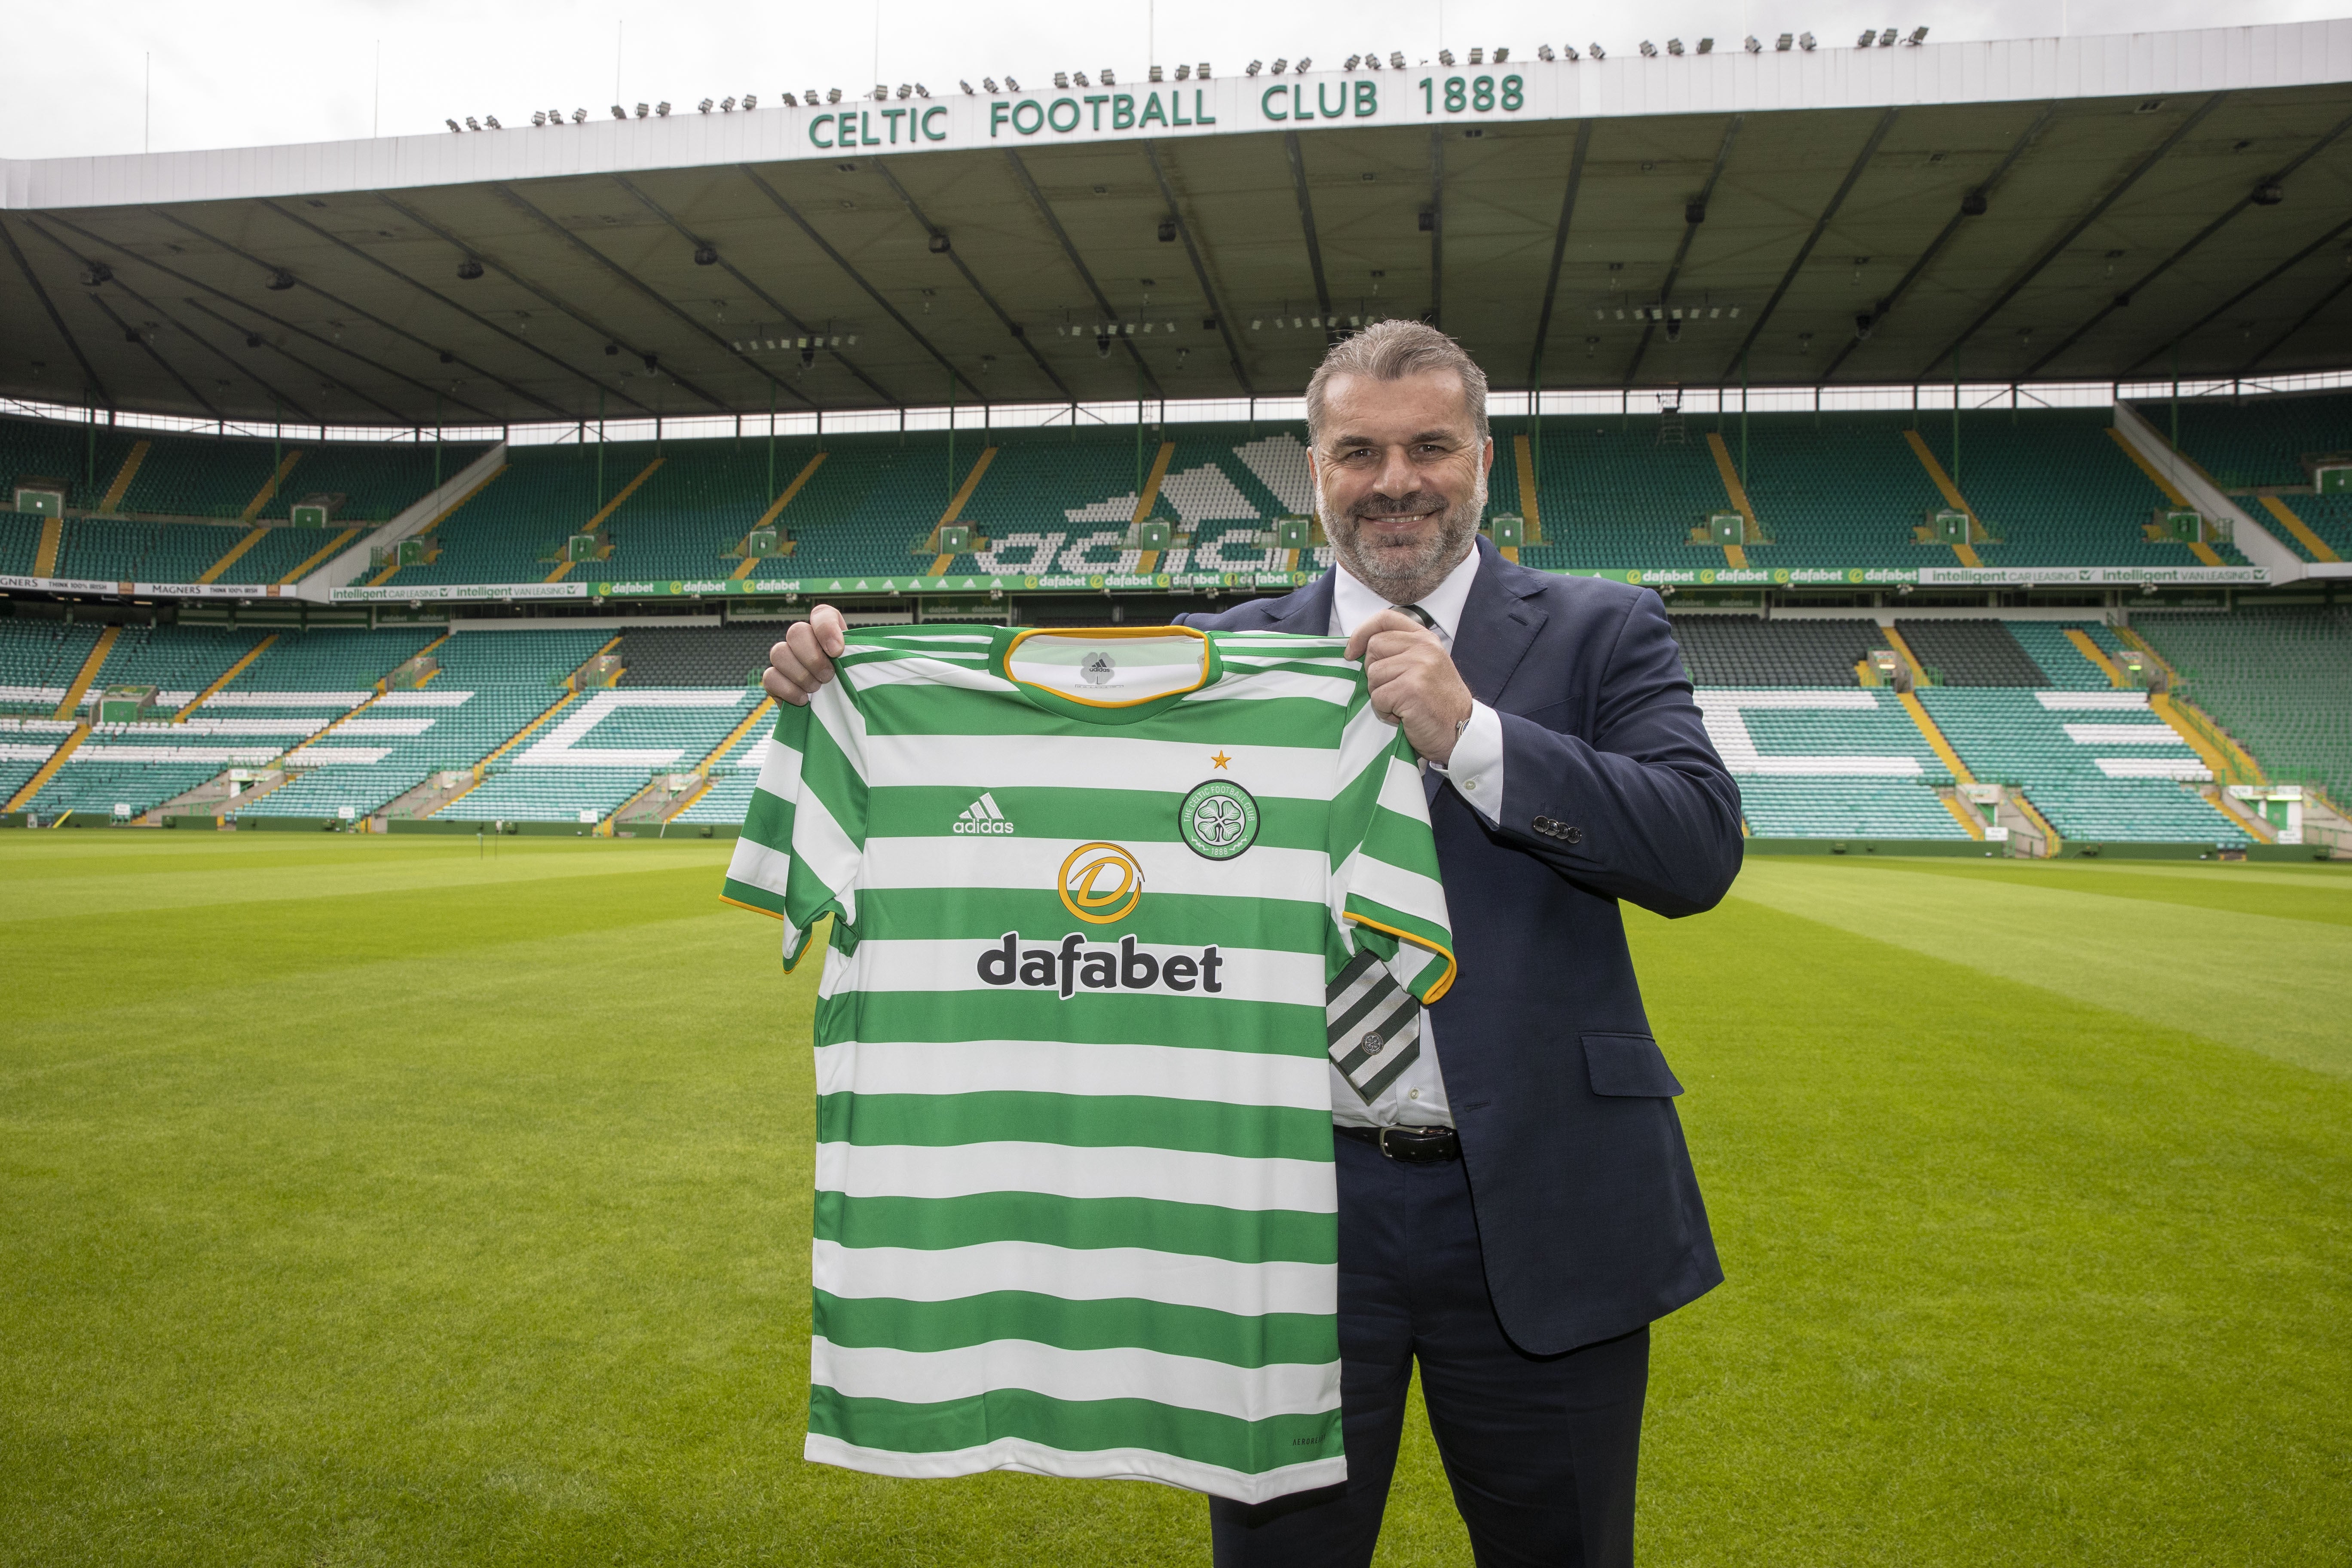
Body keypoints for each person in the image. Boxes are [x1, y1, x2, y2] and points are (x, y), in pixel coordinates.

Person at [763, 319, 1743, 1568]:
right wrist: (847, 685)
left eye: (1430, 446)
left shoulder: (1605, 630)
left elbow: (1697, 849)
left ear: (1485, 461)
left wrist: (1472, 734)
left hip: (1545, 1203)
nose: (1397, 481)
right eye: (1358, 452)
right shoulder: (1214, 656)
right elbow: (1052, 823)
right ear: (1318, 475)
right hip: (1277, 1204)